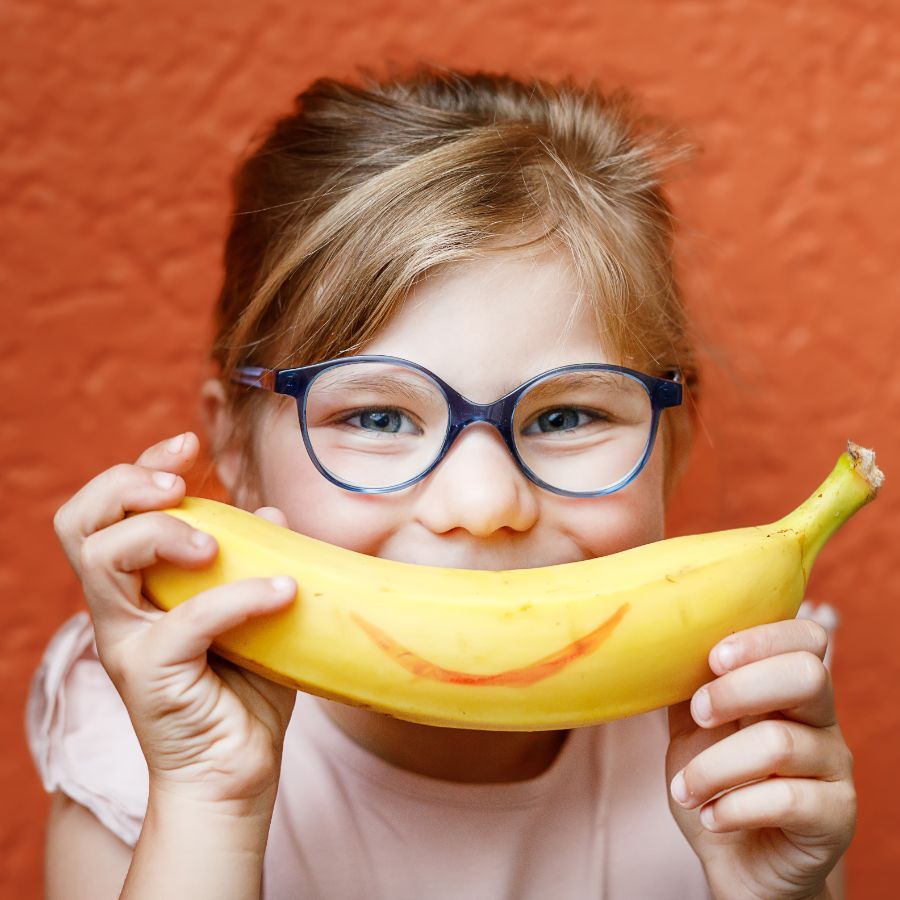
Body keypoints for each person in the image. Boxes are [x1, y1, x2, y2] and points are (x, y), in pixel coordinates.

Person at [28, 68, 854, 899]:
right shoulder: (151, 750)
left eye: (566, 417)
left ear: (675, 439)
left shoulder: (745, 740)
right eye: (380, 418)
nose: (485, 504)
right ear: (234, 450)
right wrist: (209, 804)